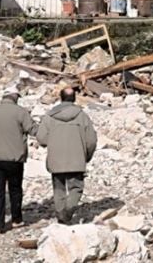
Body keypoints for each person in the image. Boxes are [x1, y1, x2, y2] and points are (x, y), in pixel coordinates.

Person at [0, 86, 38, 233]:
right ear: (16, 97)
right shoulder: (21, 112)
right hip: (14, 158)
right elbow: (33, 130)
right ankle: (17, 219)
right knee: (15, 189)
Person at [37, 87, 97, 224]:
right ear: (74, 98)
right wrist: (86, 156)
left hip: (55, 160)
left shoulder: (49, 116)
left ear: (61, 98)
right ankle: (68, 211)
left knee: (58, 189)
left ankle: (61, 214)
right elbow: (91, 140)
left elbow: (41, 139)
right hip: (76, 159)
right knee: (76, 188)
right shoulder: (82, 116)